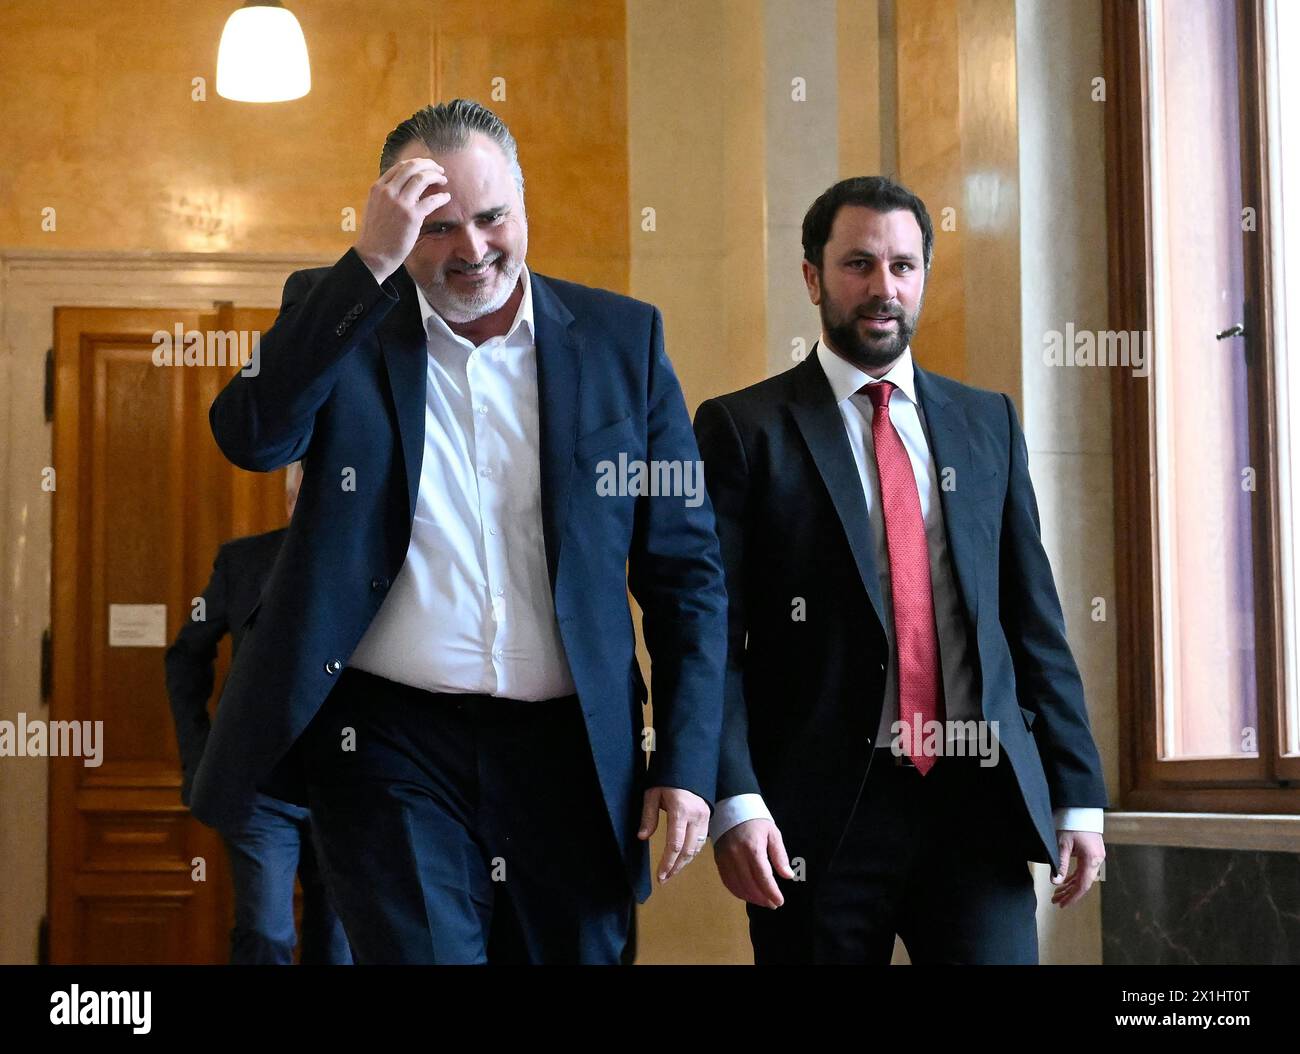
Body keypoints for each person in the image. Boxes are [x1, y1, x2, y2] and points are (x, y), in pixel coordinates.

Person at [190, 99, 727, 964]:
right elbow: (252, 436)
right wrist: (367, 264)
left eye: (491, 217)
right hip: (389, 747)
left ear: (525, 206)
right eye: (438, 229)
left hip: (574, 753)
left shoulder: (624, 340)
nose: (473, 250)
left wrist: (690, 759)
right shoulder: (345, 320)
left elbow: (685, 572)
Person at [693, 176, 1109, 964]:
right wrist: (735, 798)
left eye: (904, 266)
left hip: (974, 801)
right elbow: (713, 640)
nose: (884, 288)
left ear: (923, 275)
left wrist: (1078, 791)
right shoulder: (743, 430)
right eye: (858, 264)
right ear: (813, 276)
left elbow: (1033, 622)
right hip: (815, 820)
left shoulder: (988, 423)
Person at [164, 462, 351, 965]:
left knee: (338, 944)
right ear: (290, 502)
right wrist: (199, 757)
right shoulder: (241, 563)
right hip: (258, 789)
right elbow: (185, 656)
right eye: (303, 499)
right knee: (266, 935)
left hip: (348, 789)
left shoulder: (370, 566)